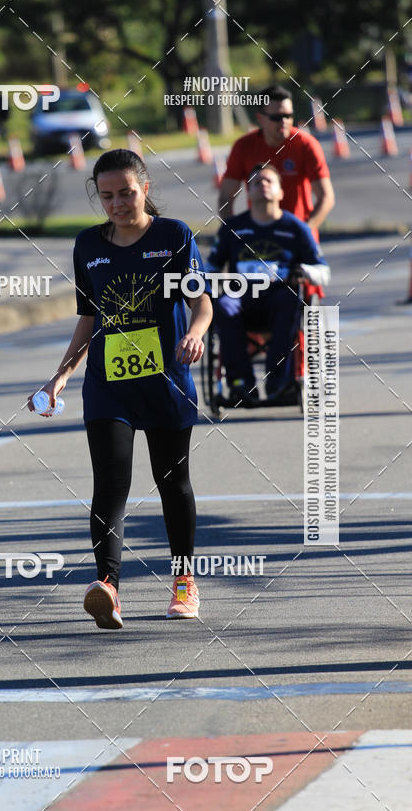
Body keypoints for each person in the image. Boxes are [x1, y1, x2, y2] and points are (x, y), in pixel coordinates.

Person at [28, 149, 213, 630]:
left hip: (166, 382)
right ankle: (107, 586)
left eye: (126, 193)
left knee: (173, 483)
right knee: (110, 484)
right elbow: (88, 320)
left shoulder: (174, 236)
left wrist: (195, 333)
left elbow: (203, 304)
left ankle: (183, 581)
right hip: (108, 387)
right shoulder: (88, 245)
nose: (117, 204)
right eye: (107, 196)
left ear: (145, 189)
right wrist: (61, 374)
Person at [208, 163, 329, 406]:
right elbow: (210, 268)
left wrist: (304, 270)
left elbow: (323, 271)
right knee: (222, 304)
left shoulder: (295, 228)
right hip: (240, 296)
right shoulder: (233, 228)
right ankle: (240, 384)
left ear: (281, 192)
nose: (262, 185)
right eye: (255, 182)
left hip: (280, 297)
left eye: (268, 181)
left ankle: (280, 383)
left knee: (291, 302)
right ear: (248, 192)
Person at [219, 86, 334, 240]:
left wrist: (305, 231)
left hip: (298, 239)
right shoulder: (243, 147)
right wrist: (233, 235)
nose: (284, 121)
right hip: (259, 240)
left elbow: (326, 197)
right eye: (276, 117)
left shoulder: (305, 144)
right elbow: (226, 196)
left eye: (288, 115)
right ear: (260, 118)